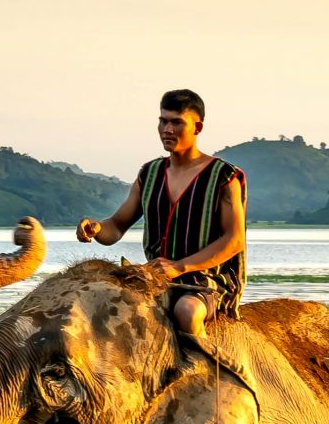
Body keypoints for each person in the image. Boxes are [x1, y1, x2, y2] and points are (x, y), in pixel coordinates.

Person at [78, 89, 247, 360]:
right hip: (153, 277)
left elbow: (234, 240)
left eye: (176, 122)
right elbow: (117, 226)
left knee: (187, 312)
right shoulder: (150, 173)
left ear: (197, 127)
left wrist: (180, 266)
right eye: (163, 121)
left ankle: (205, 374)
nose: (167, 129)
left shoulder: (224, 176)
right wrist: (96, 229)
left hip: (204, 280)